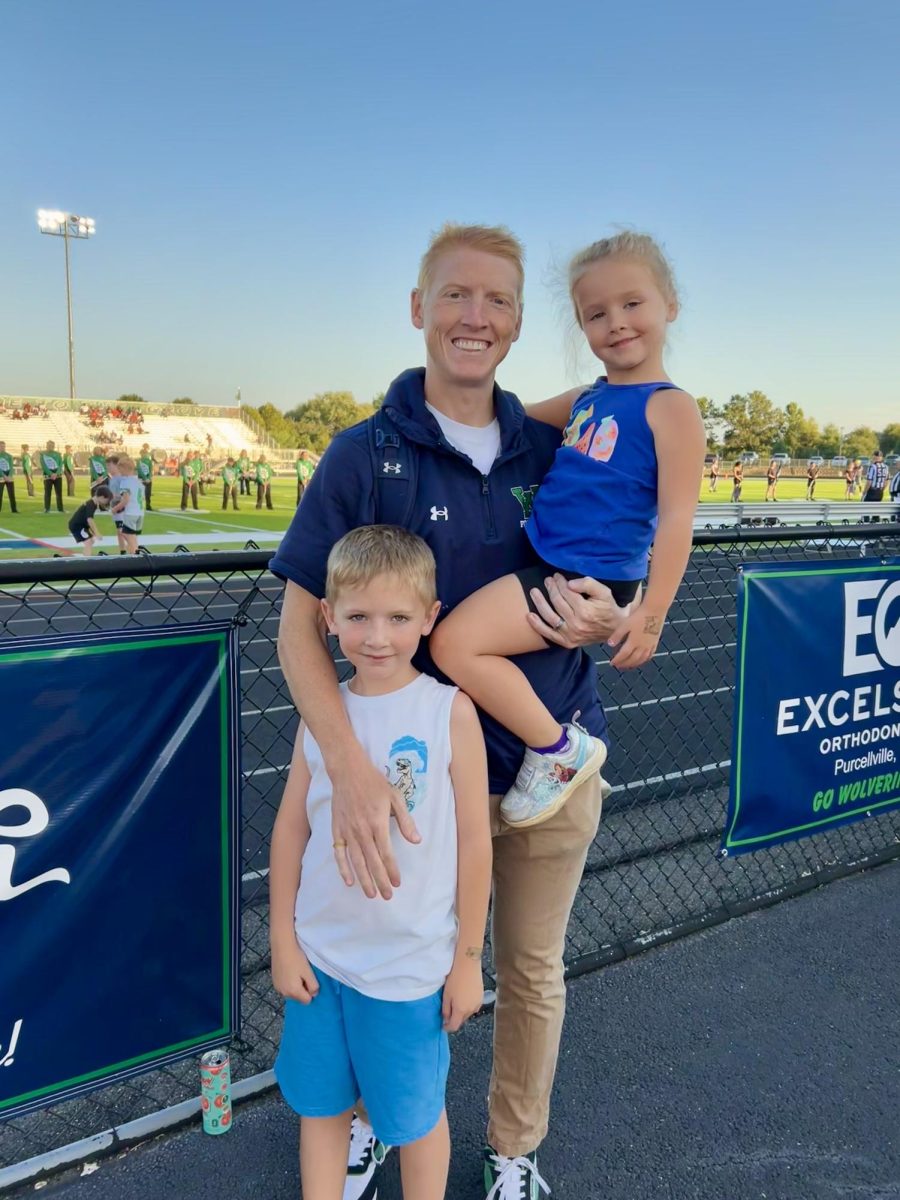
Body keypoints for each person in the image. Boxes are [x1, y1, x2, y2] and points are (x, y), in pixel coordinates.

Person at [271, 222, 630, 1200]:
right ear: (419, 307)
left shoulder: (559, 447)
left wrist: (618, 610)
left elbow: (620, 560)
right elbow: (296, 631)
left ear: (517, 321)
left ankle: (512, 1149)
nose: (475, 316)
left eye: (498, 300)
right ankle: (367, 1126)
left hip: (544, 765)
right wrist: (347, 768)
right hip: (402, 780)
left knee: (527, 973)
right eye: (456, 295)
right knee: (368, 964)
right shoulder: (364, 455)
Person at [431, 231, 705, 828]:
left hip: (587, 577)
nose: (617, 323)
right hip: (558, 561)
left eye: (633, 304)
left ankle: (557, 749)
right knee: (459, 641)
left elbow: (679, 518)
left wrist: (651, 615)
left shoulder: (671, 408)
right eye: (596, 313)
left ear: (670, 304)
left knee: (453, 644)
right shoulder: (589, 398)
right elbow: (513, 417)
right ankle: (553, 744)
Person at [271, 526, 491, 1200]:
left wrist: (467, 958)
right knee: (322, 1107)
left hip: (408, 969)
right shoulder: (322, 715)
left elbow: (478, 841)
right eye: (359, 616)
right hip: (323, 959)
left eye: (398, 618)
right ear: (327, 617)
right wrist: (282, 937)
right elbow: (289, 830)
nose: (377, 636)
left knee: (414, 1117)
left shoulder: (448, 711)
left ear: (429, 619)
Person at [111, 456, 145, 554]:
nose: (119, 471)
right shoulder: (138, 482)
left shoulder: (125, 482)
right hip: (140, 512)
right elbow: (141, 498)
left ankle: (135, 553)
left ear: (125, 468)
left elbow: (126, 500)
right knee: (131, 535)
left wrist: (115, 509)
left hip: (131, 513)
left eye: (120, 469)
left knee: (126, 534)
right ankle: (133, 552)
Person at [68, 486, 112, 556]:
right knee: (88, 542)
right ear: (101, 497)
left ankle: (86, 557)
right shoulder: (90, 505)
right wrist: (97, 532)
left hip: (81, 525)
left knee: (91, 541)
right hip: (77, 526)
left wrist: (93, 532)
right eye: (106, 500)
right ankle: (86, 561)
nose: (106, 503)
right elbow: (90, 519)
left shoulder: (92, 503)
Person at [39, 441, 64, 514]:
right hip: (47, 477)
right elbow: (44, 466)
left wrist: (56, 474)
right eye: (49, 445)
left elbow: (60, 465)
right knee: (47, 493)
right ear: (46, 446)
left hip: (58, 476)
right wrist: (50, 474)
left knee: (59, 493)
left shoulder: (58, 454)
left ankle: (60, 508)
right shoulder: (43, 455)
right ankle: (47, 508)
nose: (50, 447)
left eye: (52, 445)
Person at [0, 442, 18, 513]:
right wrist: (4, 476)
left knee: (12, 494)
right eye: (1, 446)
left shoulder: (9, 456)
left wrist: (9, 476)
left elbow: (11, 467)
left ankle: (14, 509)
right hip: (1, 478)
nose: (2, 448)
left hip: (9, 478)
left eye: (4, 446)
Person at [137, 445, 155, 510]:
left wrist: (149, 478)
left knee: (148, 493)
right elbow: (139, 470)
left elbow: (150, 469)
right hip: (142, 478)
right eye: (142, 453)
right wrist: (145, 478)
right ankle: (140, 505)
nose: (143, 455)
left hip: (147, 479)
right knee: (140, 493)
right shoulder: (139, 460)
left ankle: (148, 505)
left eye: (144, 453)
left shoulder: (149, 461)